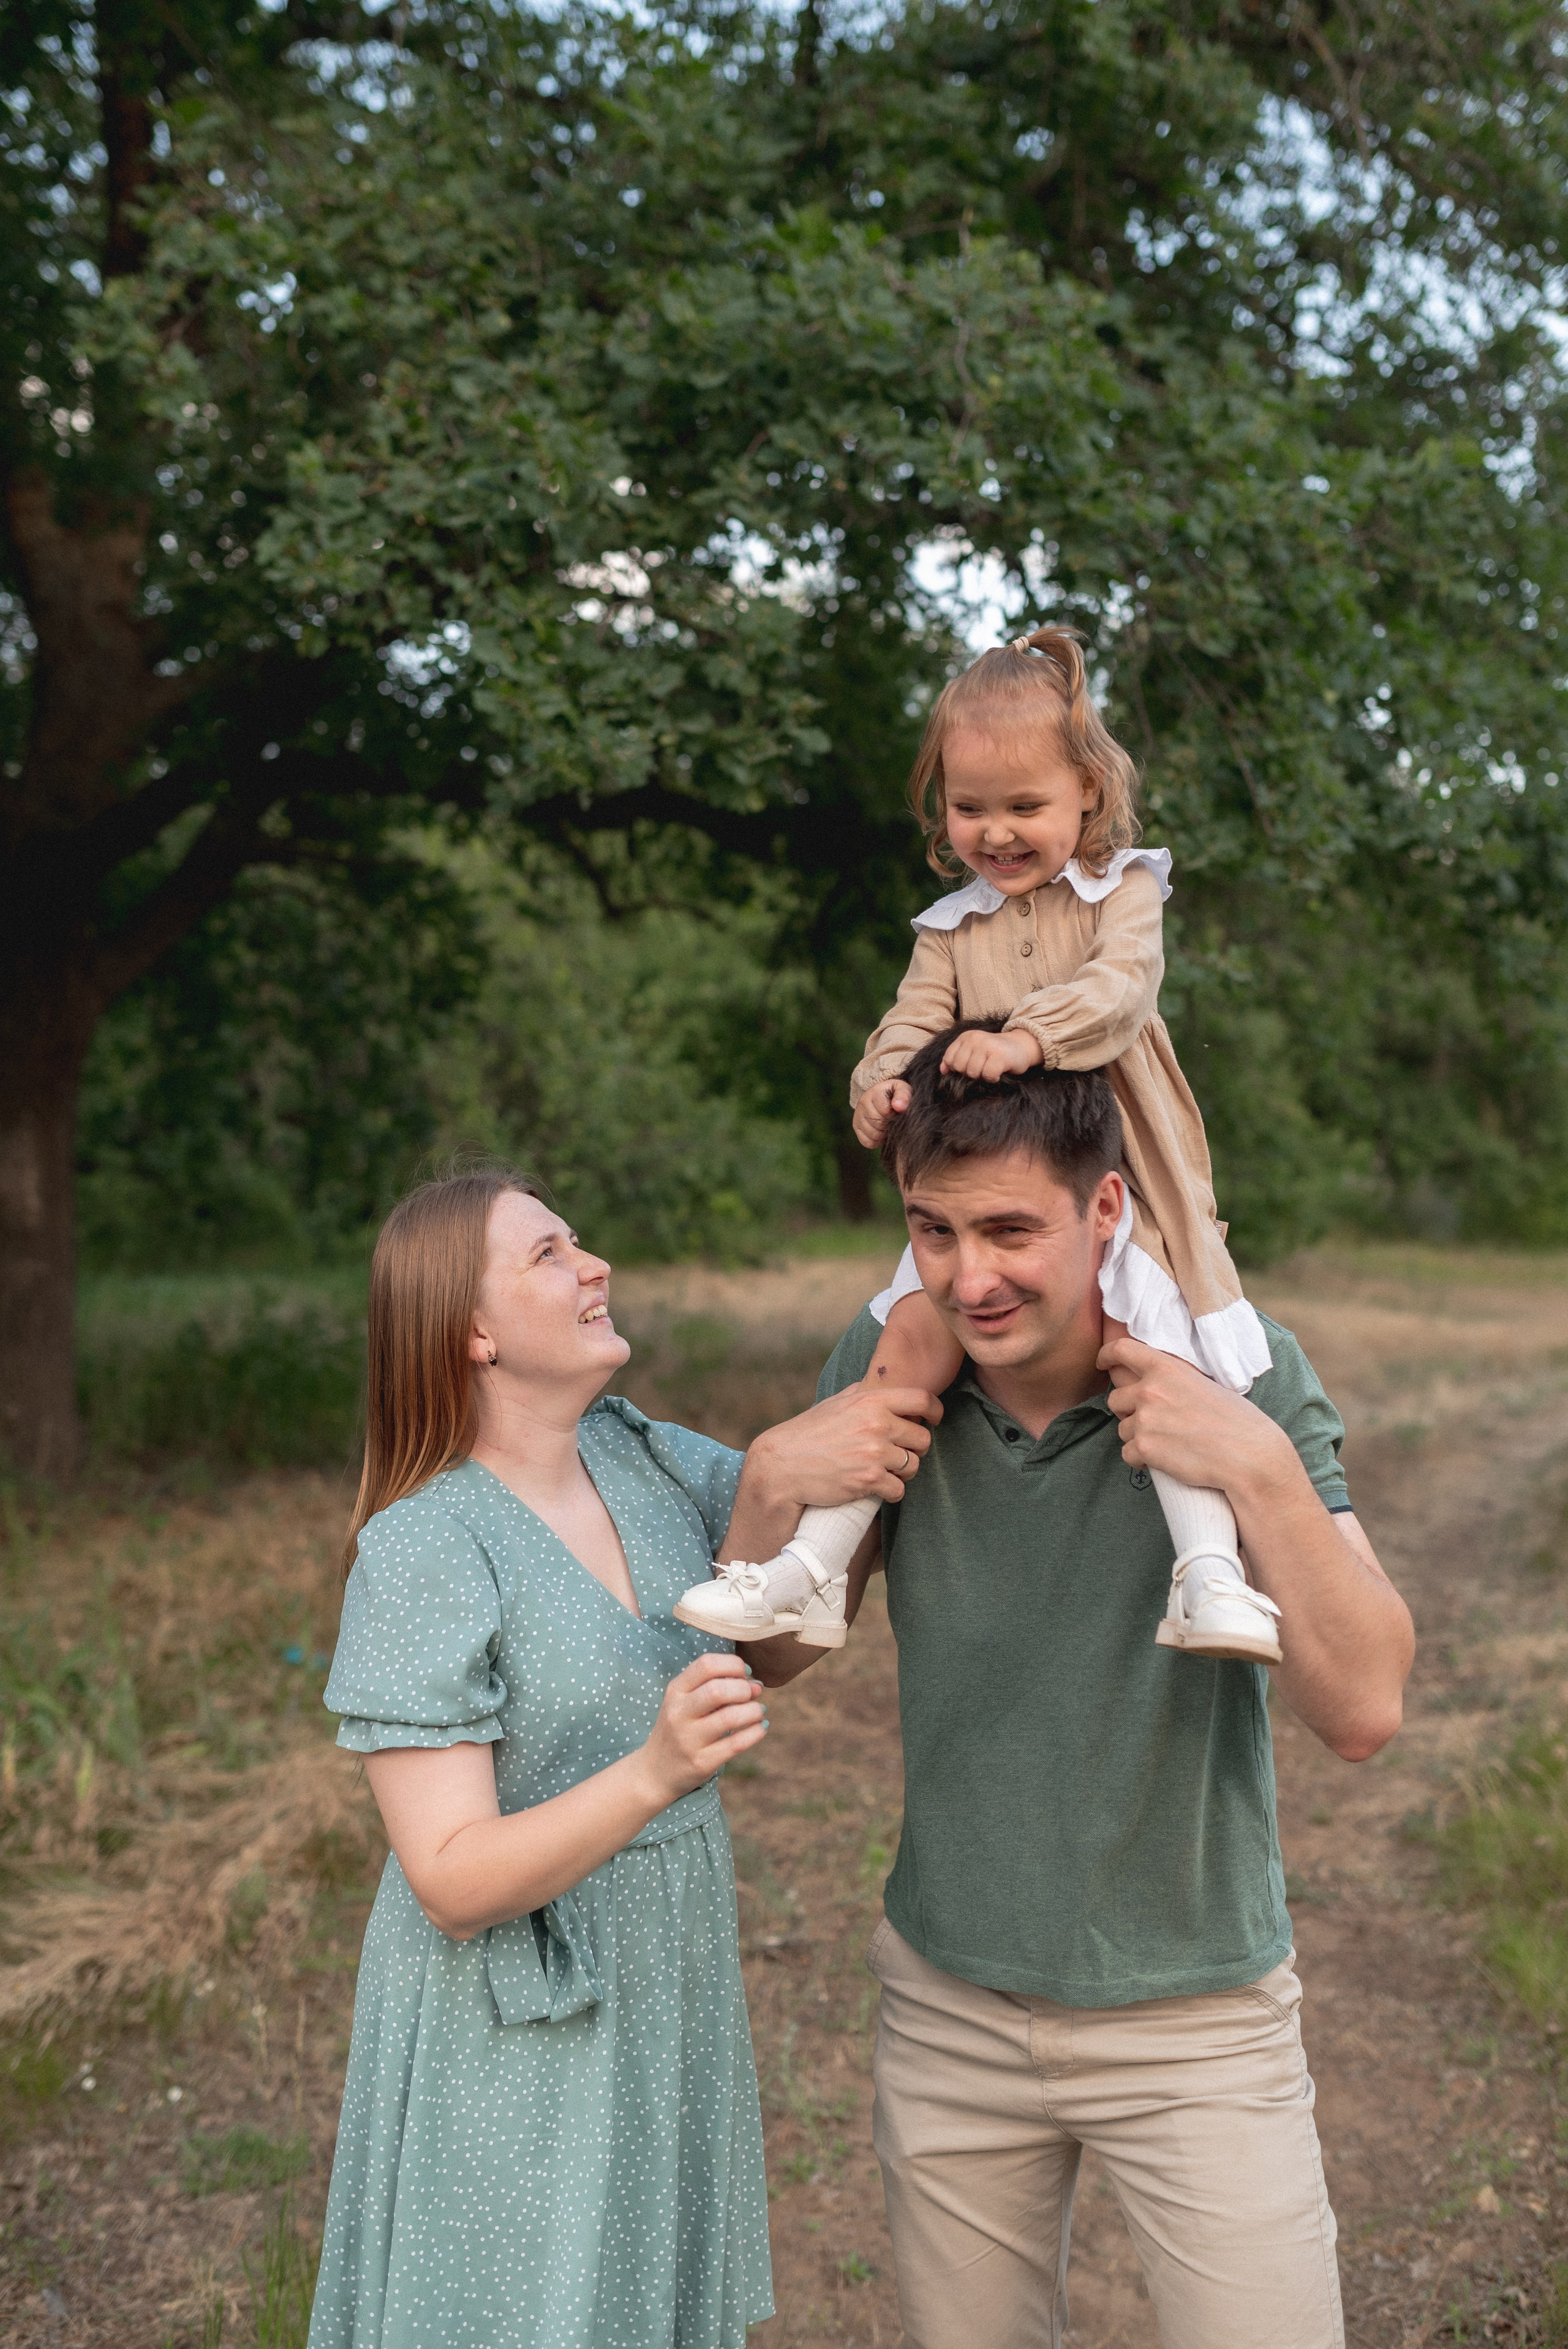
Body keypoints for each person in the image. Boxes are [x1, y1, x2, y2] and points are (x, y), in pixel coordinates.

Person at [730, 1035, 1414, 2349]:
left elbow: (1363, 1705)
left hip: (1193, 2017)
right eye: (930, 1230)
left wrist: (1256, 1470)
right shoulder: (884, 1363)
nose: (965, 1276)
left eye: (1006, 1229)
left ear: (1106, 1209)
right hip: (949, 2007)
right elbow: (775, 1652)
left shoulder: (1236, 1364)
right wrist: (772, 1486)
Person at [307, 1166, 937, 2349]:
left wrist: (931, 1266)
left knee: (641, 2303)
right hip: (513, 2008)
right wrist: (654, 1773)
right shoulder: (426, 1545)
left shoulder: (643, 1461)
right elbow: (447, 1878)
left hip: (667, 1964)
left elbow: (774, 1637)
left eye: (579, 1241)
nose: (593, 1265)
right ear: (473, 1331)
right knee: (520, 2308)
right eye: (548, 1255)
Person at [676, 625, 1280, 1667]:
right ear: (939, 807)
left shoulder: (1122, 891)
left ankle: (1208, 1573)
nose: (995, 834)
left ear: (1088, 795)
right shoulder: (949, 927)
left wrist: (1030, 1038)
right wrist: (882, 1083)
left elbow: (1120, 992)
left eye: (1024, 807)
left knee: (1155, 1349)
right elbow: (911, 1020)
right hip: (983, 1177)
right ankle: (818, 1567)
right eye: (969, 809)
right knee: (907, 1344)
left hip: (1116, 1173)